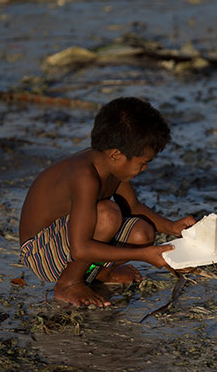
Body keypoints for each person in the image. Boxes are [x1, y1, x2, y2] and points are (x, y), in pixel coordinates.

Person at [19, 97, 195, 307]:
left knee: (142, 233)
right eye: (143, 163)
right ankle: (68, 283)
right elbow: (80, 249)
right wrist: (143, 255)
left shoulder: (109, 166)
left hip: (68, 243)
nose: (144, 169)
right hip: (40, 253)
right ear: (116, 155)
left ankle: (99, 272)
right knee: (107, 215)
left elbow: (134, 208)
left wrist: (171, 227)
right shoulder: (85, 177)